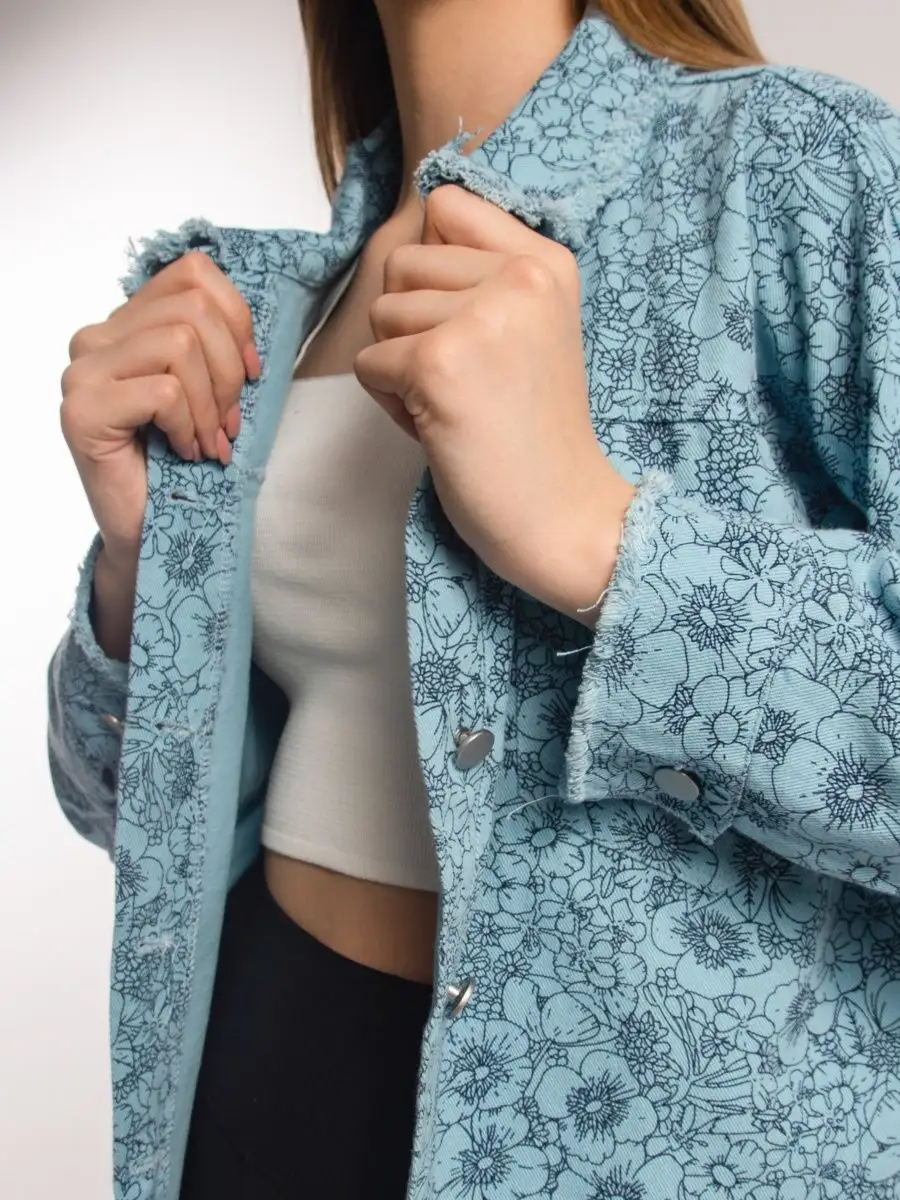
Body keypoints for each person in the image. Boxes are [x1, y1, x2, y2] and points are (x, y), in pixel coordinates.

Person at [48, 0, 900, 1197]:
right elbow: (120, 816)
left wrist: (595, 535)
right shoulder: (267, 307)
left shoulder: (795, 168)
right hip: (256, 1084)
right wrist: (140, 570)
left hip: (640, 1151)